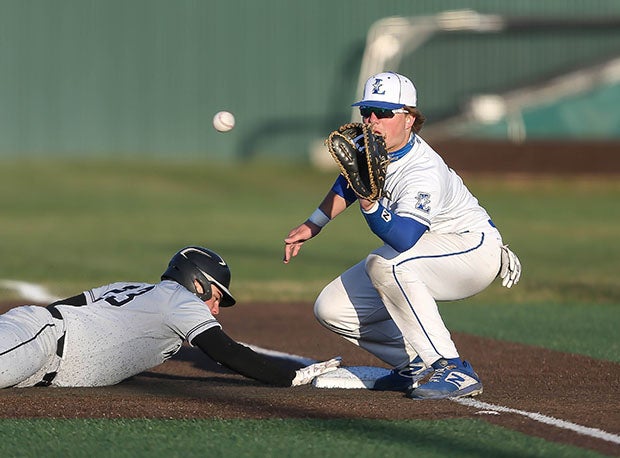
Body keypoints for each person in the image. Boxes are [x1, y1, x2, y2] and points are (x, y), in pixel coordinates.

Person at [283, 71, 521, 400]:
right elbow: (349, 183)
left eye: (384, 113)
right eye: (367, 111)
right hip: (428, 248)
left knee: (387, 264)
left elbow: (404, 238)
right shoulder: (368, 145)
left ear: (409, 118)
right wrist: (314, 223)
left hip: (471, 250)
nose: (372, 120)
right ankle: (413, 366)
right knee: (332, 307)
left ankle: (453, 368)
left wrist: (369, 204)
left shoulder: (422, 170)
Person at [0, 246, 339, 388]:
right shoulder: (181, 300)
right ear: (197, 283)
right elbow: (227, 352)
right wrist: (288, 377)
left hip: (38, 346)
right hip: (41, 342)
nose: (216, 309)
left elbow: (66, 304)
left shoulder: (135, 287)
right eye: (216, 297)